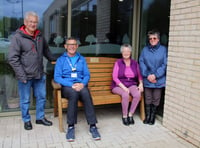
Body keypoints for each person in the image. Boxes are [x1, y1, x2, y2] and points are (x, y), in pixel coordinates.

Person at [8, 11, 57, 130]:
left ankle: (40, 118)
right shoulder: (18, 37)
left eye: (35, 22)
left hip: (39, 74)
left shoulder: (40, 36)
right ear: (25, 22)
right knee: (25, 100)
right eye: (31, 22)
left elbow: (46, 50)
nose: (33, 24)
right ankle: (26, 120)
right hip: (25, 76)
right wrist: (21, 75)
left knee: (42, 97)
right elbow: (12, 58)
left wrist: (53, 60)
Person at [54, 37, 101, 142]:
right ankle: (71, 127)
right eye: (69, 44)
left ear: (77, 46)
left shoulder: (82, 59)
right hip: (68, 86)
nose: (72, 46)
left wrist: (83, 84)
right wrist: (71, 84)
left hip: (80, 84)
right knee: (73, 94)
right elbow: (57, 77)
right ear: (65, 46)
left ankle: (93, 126)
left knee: (86, 93)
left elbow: (87, 75)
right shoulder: (61, 60)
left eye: (74, 44)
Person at [139, 30, 167, 125]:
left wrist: (155, 75)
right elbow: (141, 62)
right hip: (147, 78)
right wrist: (148, 75)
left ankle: (152, 117)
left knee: (156, 98)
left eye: (154, 38)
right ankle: (147, 117)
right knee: (148, 98)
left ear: (158, 39)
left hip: (158, 79)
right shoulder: (145, 50)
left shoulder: (163, 50)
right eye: (150, 38)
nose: (152, 40)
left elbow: (164, 65)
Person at [111, 44, 143, 126]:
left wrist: (141, 84)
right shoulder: (118, 63)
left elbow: (139, 75)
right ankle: (124, 116)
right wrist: (124, 87)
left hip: (131, 84)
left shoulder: (135, 63)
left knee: (137, 94)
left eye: (128, 51)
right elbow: (114, 77)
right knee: (125, 94)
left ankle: (130, 114)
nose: (126, 53)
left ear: (130, 52)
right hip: (118, 85)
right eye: (124, 51)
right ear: (121, 52)